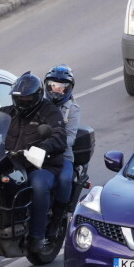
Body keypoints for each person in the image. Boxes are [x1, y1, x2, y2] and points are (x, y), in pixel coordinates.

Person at [0, 72, 67, 254]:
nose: (23, 102)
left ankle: (37, 236)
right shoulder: (7, 113)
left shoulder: (50, 111)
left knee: (38, 185)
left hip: (40, 165)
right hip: (11, 163)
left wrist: (44, 147)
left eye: (27, 98)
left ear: (36, 96)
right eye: (19, 98)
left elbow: (59, 135)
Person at [43, 64, 80, 239]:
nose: (57, 90)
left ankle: (57, 221)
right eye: (54, 86)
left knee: (65, 179)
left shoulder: (72, 109)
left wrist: (53, 144)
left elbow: (71, 138)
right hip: (37, 151)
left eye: (62, 87)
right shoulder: (40, 103)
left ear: (68, 89)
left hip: (62, 155)